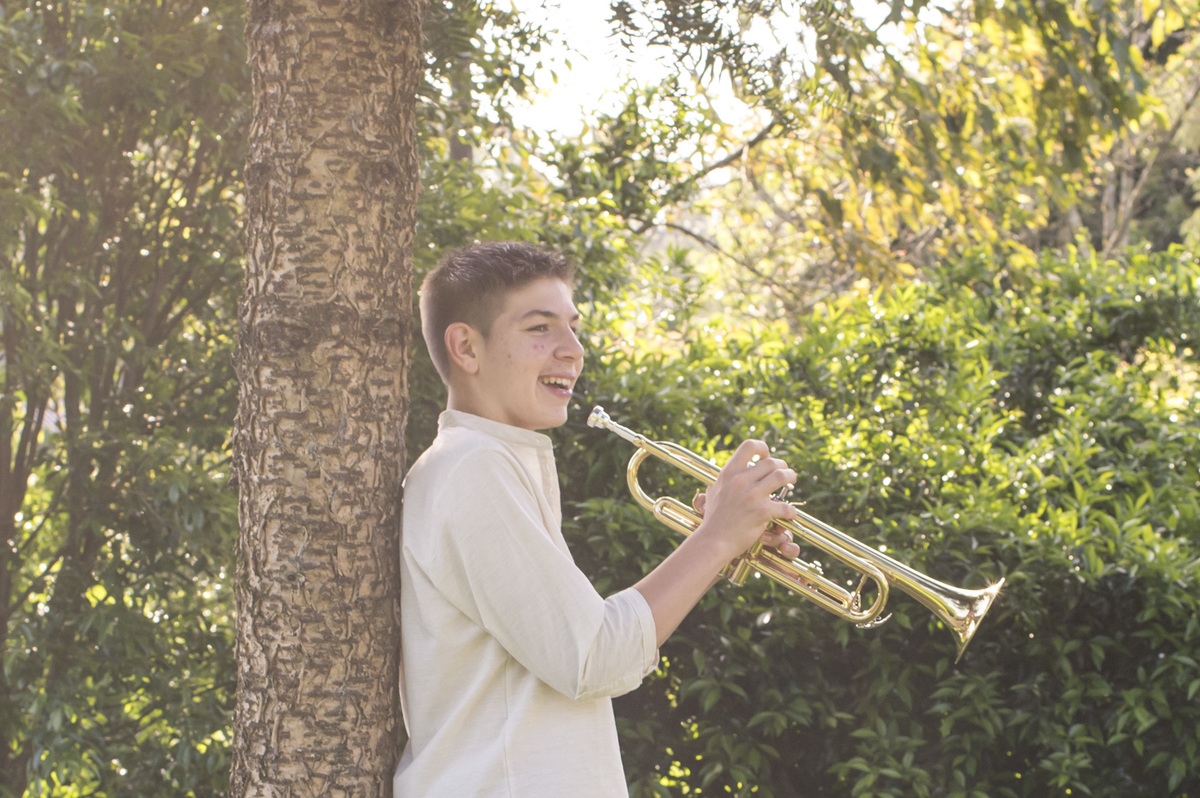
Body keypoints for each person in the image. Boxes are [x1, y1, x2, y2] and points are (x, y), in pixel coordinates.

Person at [396, 240, 800, 797]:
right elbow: (593, 657)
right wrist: (715, 538)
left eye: (573, 327)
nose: (573, 350)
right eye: (540, 328)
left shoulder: (491, 463)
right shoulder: (473, 466)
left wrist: (725, 541)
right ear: (466, 347)